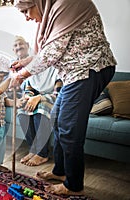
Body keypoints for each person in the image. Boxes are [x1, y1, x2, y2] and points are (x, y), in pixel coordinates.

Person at [11, 0, 116, 196]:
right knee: (57, 119)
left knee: (69, 128)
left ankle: (74, 185)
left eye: (27, 10)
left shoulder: (67, 4)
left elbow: (52, 53)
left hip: (89, 69)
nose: (26, 17)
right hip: (73, 75)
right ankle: (61, 171)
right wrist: (25, 62)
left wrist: (22, 74)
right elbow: (46, 51)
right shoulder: (52, 11)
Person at [18, 75, 62, 167]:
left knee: (42, 108)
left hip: (53, 100)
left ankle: (42, 154)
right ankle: (33, 149)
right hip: (36, 98)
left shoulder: (56, 73)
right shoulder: (34, 72)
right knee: (23, 109)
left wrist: (39, 98)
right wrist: (28, 98)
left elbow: (58, 95)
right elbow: (29, 90)